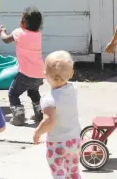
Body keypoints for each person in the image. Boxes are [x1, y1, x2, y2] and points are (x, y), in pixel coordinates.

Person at [33, 51, 81, 179]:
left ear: (45, 74)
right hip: (75, 140)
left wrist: (38, 132)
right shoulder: (73, 90)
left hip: (58, 143)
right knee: (73, 170)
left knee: (58, 172)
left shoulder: (48, 99)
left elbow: (49, 121)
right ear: (71, 74)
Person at [0, 6, 45, 125]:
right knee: (33, 92)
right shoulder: (38, 34)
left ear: (23, 23)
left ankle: (19, 117)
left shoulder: (19, 32)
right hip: (39, 73)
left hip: (25, 73)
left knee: (13, 94)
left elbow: (5, 40)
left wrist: (2, 32)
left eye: (21, 18)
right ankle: (40, 114)